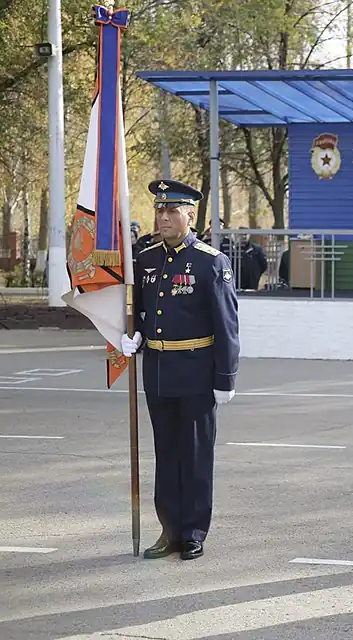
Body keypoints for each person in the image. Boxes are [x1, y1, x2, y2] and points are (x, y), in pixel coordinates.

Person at [119, 179, 240, 561]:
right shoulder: (145, 259)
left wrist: (225, 377)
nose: (164, 217)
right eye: (160, 210)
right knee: (166, 454)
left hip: (196, 372)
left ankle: (193, 532)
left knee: (196, 455)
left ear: (190, 214)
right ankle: (169, 530)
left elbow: (226, 324)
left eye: (172, 210)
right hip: (158, 371)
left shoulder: (210, 262)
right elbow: (140, 311)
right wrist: (133, 335)